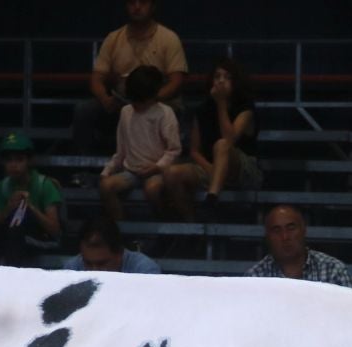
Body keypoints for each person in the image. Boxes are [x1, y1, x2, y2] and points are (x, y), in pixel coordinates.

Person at [74, 0, 187, 154]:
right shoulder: (113, 38)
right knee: (84, 110)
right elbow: (96, 78)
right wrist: (105, 99)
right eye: (132, 3)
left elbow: (176, 81)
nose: (137, 7)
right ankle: (85, 162)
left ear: (153, 6)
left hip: (158, 103)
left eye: (143, 2)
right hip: (122, 104)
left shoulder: (169, 38)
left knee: (162, 112)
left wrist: (151, 100)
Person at [159, 58, 259, 217]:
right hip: (211, 167)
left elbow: (229, 140)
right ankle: (192, 224)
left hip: (242, 168)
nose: (221, 81)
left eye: (227, 77)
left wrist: (221, 104)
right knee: (171, 173)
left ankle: (212, 197)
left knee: (221, 145)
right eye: (217, 76)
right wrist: (211, 169)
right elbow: (194, 151)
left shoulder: (245, 108)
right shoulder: (202, 110)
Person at [98, 65, 180, 226]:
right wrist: (107, 171)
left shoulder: (165, 113)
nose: (136, 104)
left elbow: (173, 150)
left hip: (156, 171)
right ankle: (120, 228)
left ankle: (166, 224)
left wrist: (157, 167)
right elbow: (121, 151)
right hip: (131, 171)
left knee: (152, 189)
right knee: (106, 186)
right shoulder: (126, 112)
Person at [0, 132, 65, 267]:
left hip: (42, 238)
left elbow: (54, 229)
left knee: (15, 231)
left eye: (19, 160)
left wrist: (30, 207)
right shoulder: (2, 187)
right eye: (9, 160)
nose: (13, 165)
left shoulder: (44, 185)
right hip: (11, 237)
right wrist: (10, 207)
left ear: (29, 161)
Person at [248, 204, 352, 286]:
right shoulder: (255, 277)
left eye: (291, 228)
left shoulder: (333, 270)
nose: (285, 236)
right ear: (267, 236)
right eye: (276, 230)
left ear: (304, 230)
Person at [63, 216, 161, 273]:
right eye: (87, 263)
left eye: (101, 264)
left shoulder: (144, 271)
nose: (94, 272)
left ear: (120, 253)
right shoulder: (71, 269)